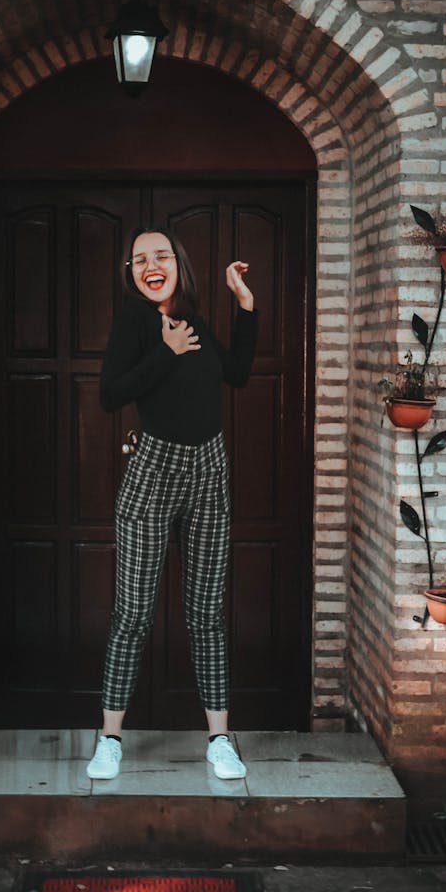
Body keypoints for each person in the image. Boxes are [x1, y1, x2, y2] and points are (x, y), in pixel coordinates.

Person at [86, 225, 258, 781]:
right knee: (133, 616)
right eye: (140, 259)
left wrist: (246, 306)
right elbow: (111, 394)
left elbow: (237, 373)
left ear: (179, 263)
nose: (150, 264)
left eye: (161, 255)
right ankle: (109, 739)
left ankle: (221, 739)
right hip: (152, 475)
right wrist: (164, 351)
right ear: (131, 273)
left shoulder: (194, 320)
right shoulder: (136, 319)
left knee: (207, 615)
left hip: (210, 472)